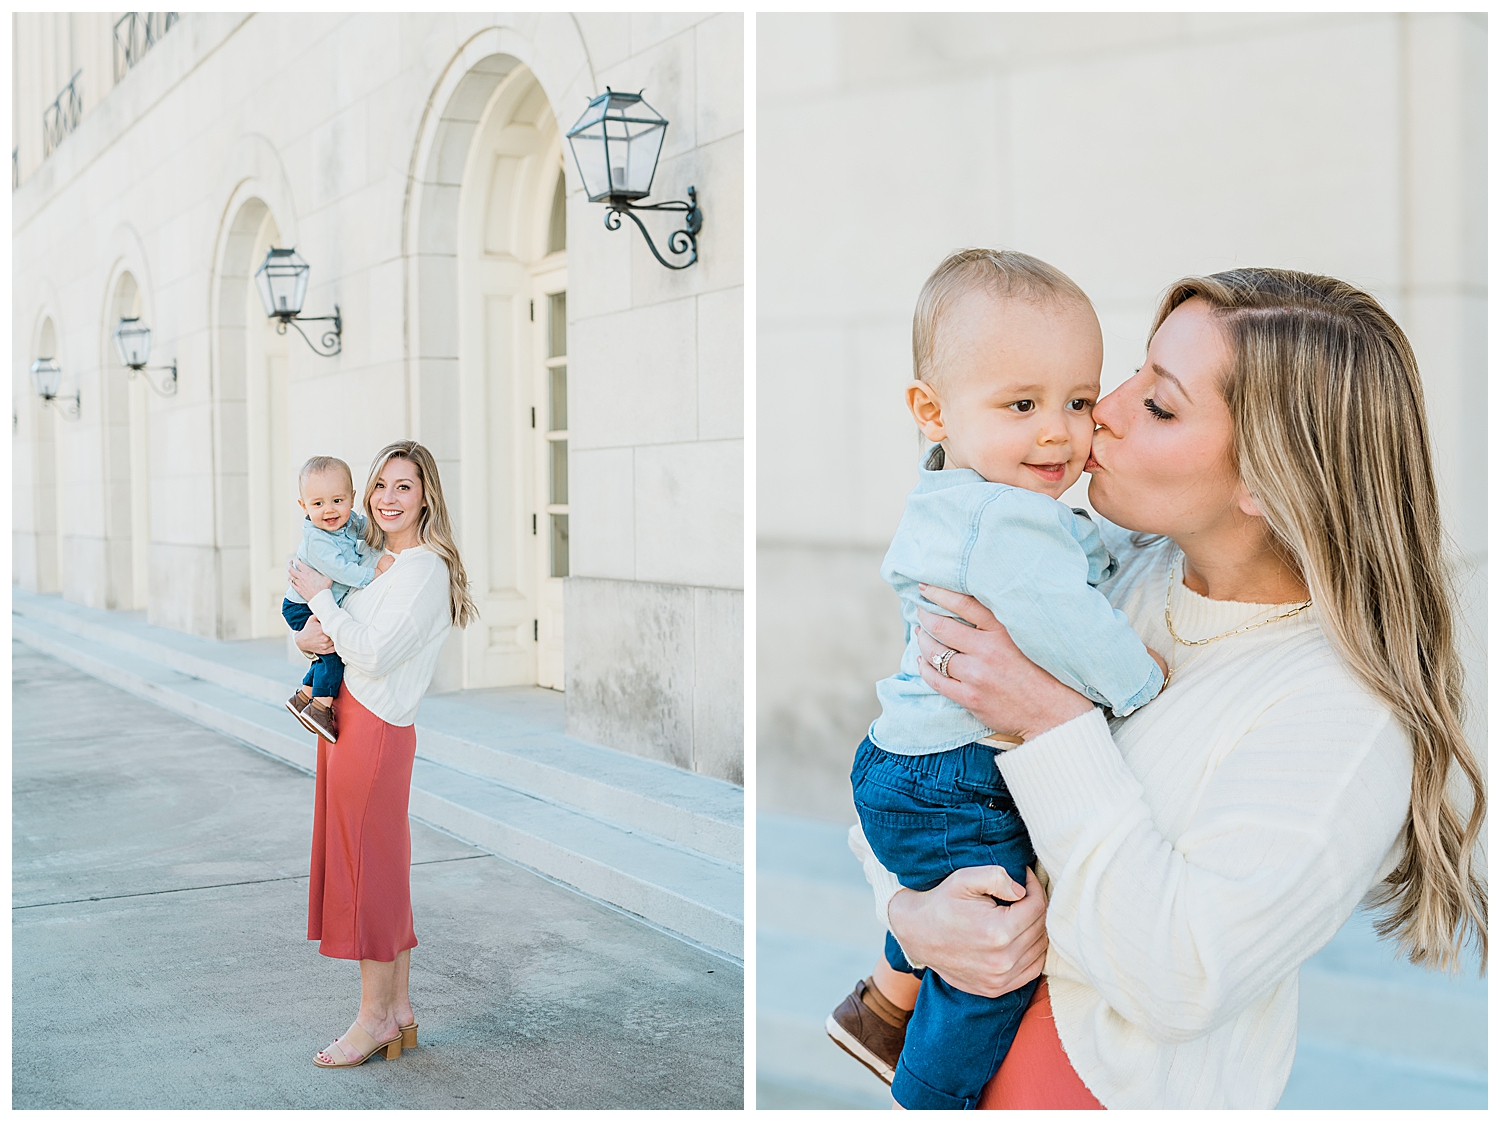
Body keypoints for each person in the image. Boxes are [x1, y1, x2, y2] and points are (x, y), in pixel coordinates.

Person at [851, 268, 1487, 1108]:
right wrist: (912, 918)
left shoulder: (1343, 715)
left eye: (1158, 403)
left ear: (1269, 475)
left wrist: (1054, 724)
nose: (1101, 412)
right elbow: (913, 767)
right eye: (1133, 373)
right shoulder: (1090, 574)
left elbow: (1180, 979)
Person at [826, 250, 1166, 1111]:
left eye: (1078, 402)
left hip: (911, 764)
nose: (1058, 433)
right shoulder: (1001, 520)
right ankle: (930, 1093)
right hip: (954, 778)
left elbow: (1073, 553)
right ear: (931, 411)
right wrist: (1139, 686)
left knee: (950, 897)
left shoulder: (967, 495)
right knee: (995, 960)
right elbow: (1068, 622)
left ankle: (877, 1011)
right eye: (1022, 405)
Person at [286, 440, 478, 1069]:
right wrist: (309, 631)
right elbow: (330, 634)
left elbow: (370, 653)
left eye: (405, 486)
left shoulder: (422, 570)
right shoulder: (368, 556)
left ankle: (371, 1021)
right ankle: (396, 1012)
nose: (389, 498)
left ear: (427, 496)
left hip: (374, 729)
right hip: (351, 721)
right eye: (381, 485)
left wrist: (319, 600)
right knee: (382, 870)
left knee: (368, 873)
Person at [282, 455, 393, 743]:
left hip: (314, 599)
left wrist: (385, 535)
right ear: (304, 506)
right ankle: (320, 707)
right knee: (332, 653)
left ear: (352, 498)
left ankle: (302, 697)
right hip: (301, 605)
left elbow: (367, 529)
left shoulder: (348, 521)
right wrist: (375, 574)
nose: (329, 510)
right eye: (318, 504)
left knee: (324, 650)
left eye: (337, 500)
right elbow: (341, 571)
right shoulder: (318, 541)